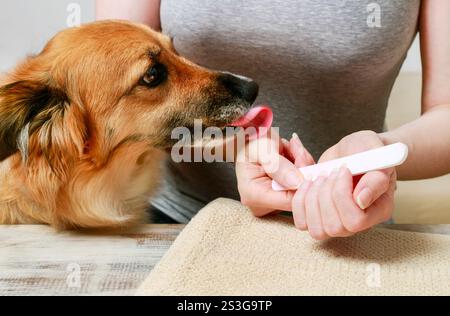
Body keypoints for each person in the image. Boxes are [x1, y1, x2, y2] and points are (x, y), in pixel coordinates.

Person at [97, 0, 450, 239]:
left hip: (347, 230)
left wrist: (379, 151)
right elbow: (113, 100)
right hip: (172, 226)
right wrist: (234, 149)